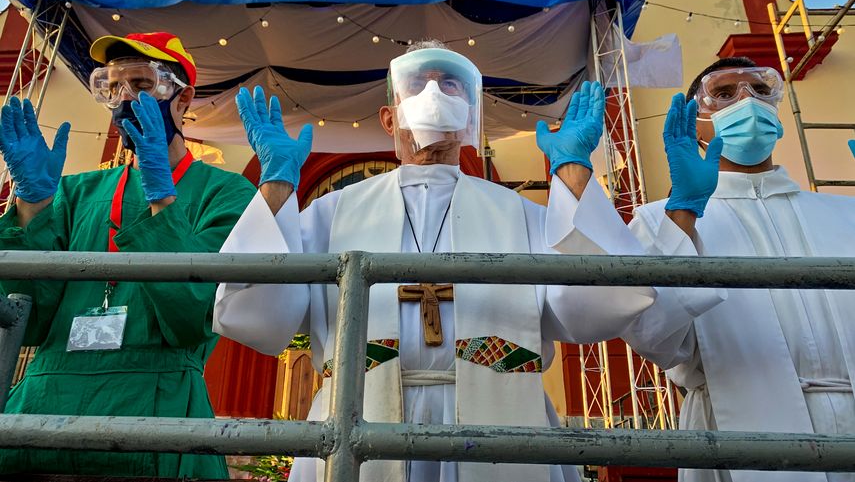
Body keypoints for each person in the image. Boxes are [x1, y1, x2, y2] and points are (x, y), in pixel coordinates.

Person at [214, 41, 657, 482]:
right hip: (361, 412)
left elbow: (595, 310)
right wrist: (275, 186)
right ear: (389, 118)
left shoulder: (521, 214)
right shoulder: (333, 213)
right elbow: (259, 316)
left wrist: (574, 174)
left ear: (468, 113)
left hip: (500, 416)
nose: (434, 93)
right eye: (418, 84)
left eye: (449, 83)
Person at [0, 32, 256, 477]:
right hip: (44, 408)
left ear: (181, 99)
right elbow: (29, 319)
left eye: (140, 84)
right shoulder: (75, 191)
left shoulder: (227, 192)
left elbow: (189, 320)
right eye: (112, 85)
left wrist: (161, 196)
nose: (123, 98)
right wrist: (31, 206)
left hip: (159, 410)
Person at [623, 56, 855, 482]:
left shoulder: (847, 214)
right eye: (725, 94)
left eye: (761, 90)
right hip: (736, 421)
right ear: (695, 124)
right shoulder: (661, 219)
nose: (747, 101)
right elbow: (654, 336)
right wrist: (684, 214)